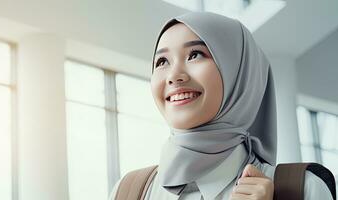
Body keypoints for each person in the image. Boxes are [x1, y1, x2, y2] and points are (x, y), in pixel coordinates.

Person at [108, 12, 334, 200]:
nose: (174, 76)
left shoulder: (305, 190)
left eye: (195, 54)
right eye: (162, 61)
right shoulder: (128, 191)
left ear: (240, 74)